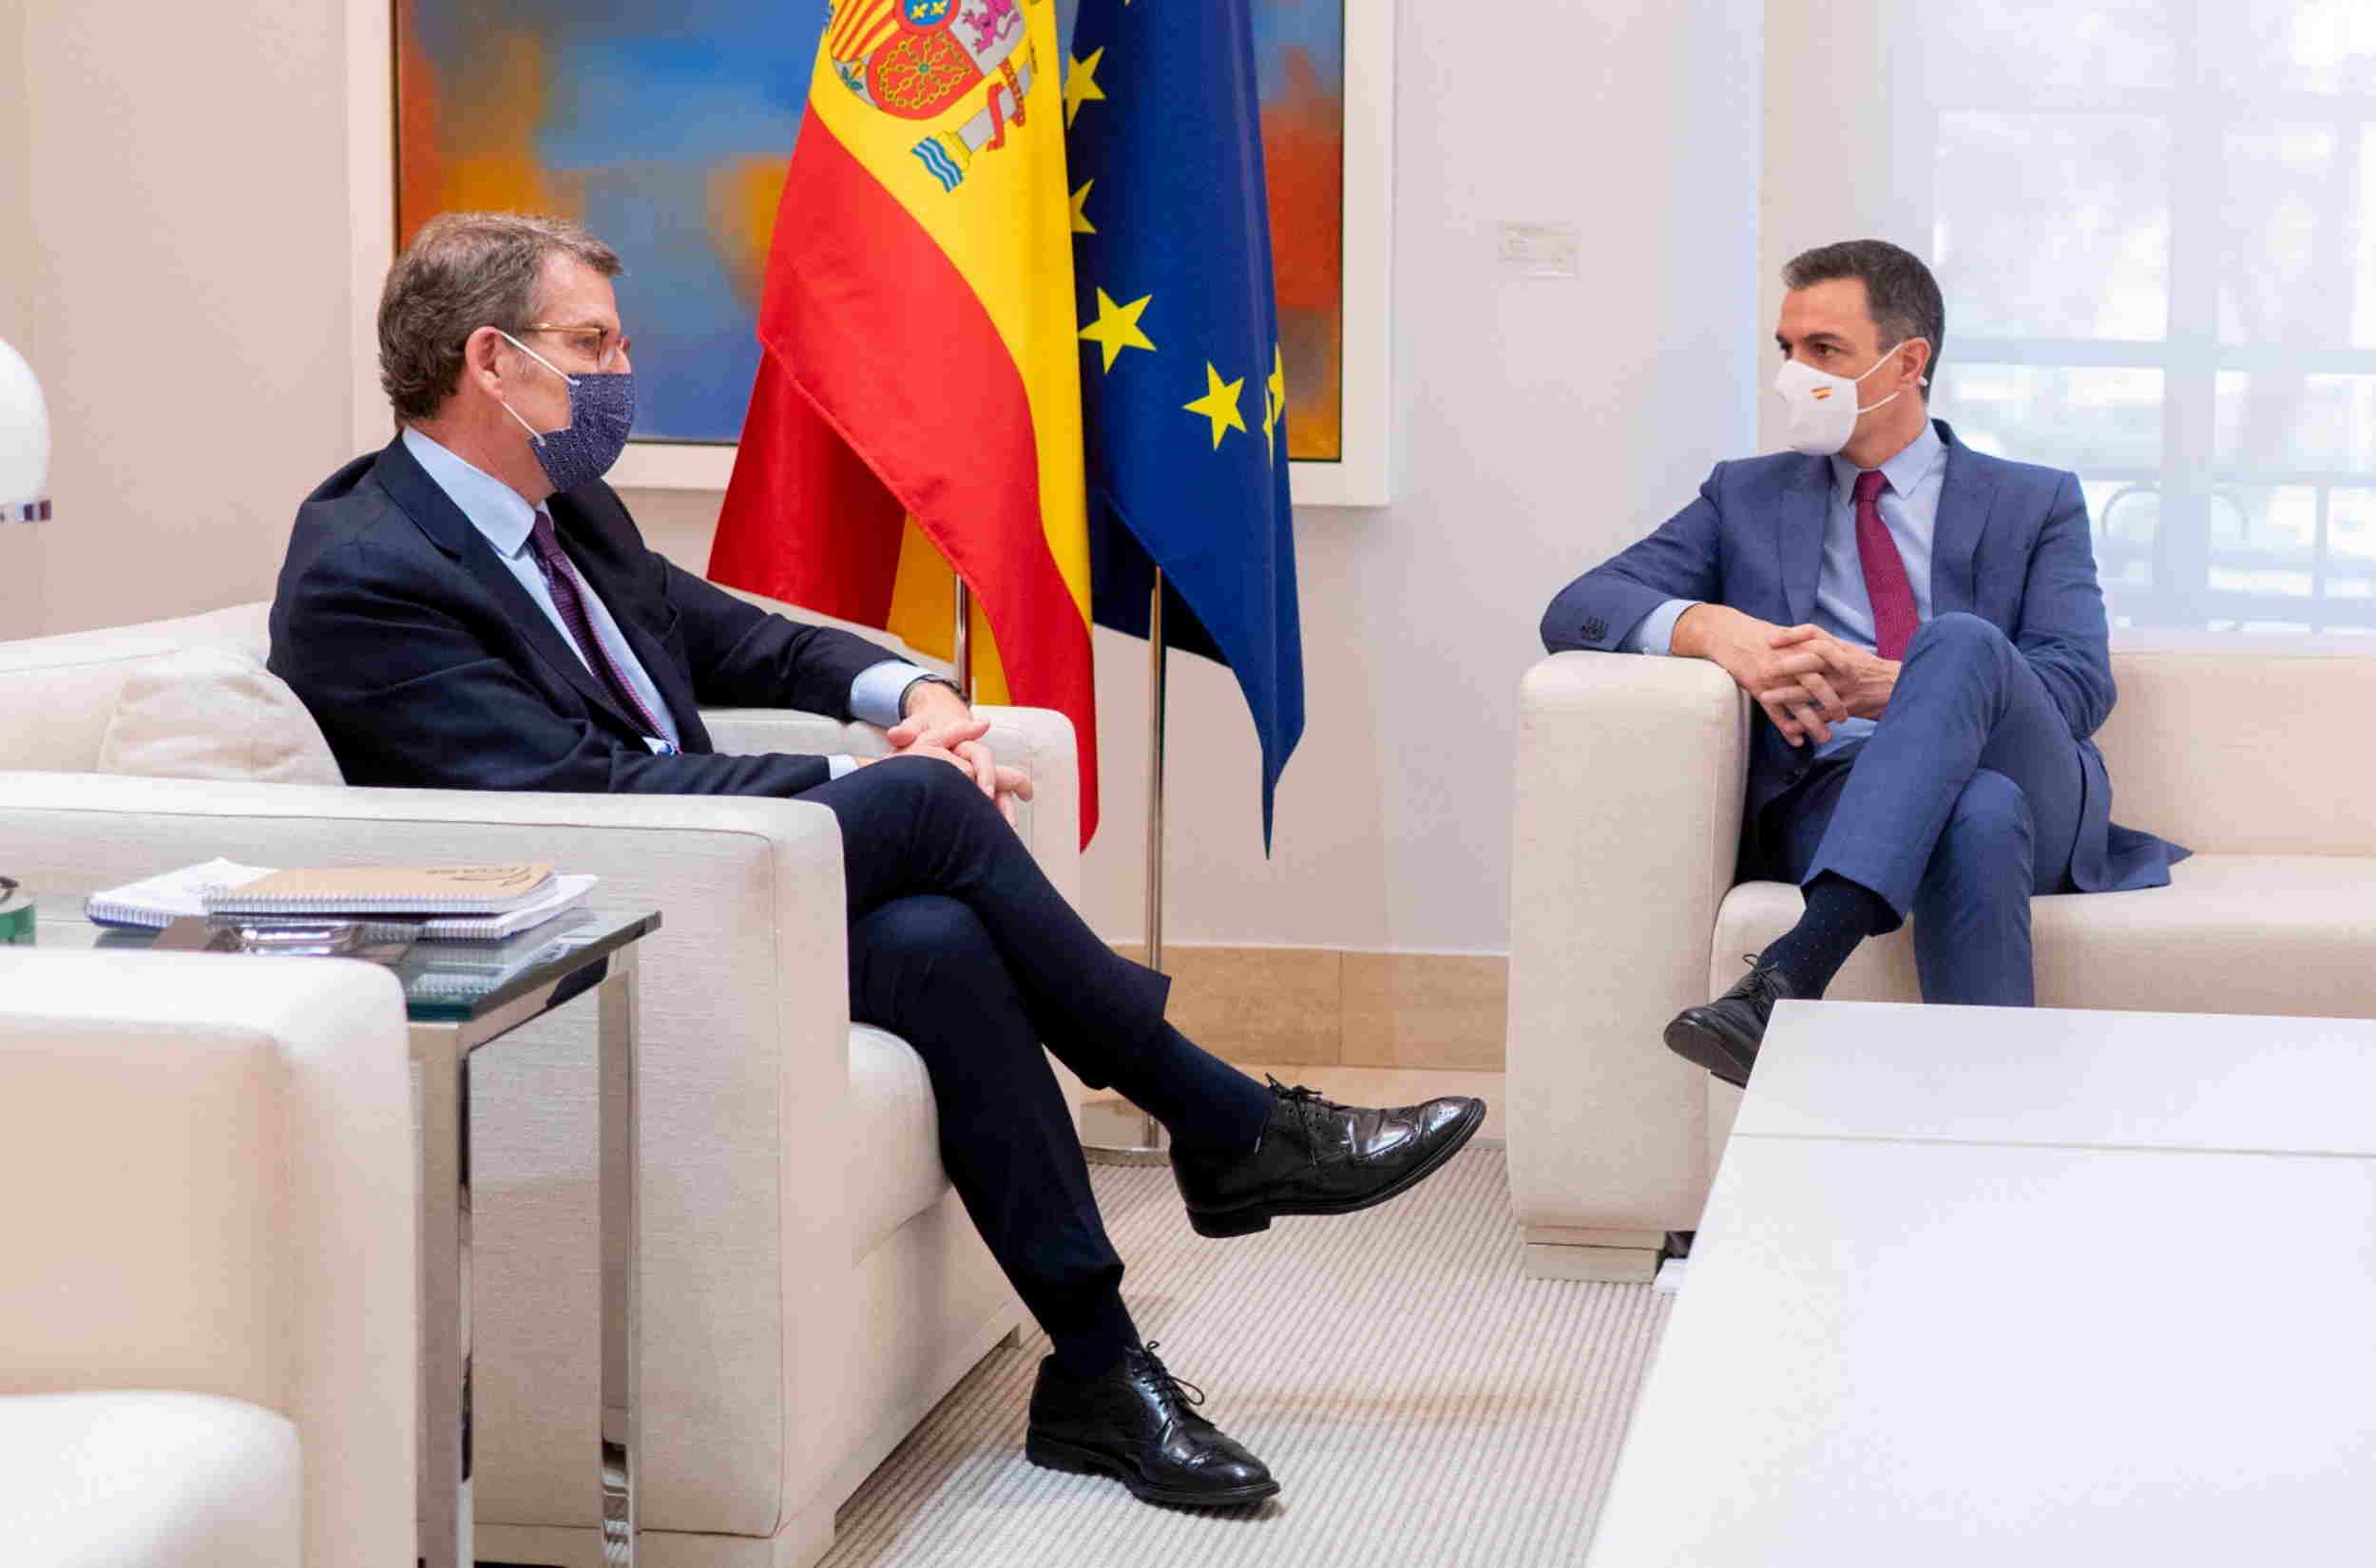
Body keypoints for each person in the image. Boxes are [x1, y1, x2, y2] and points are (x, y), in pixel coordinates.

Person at [270, 211, 1484, 1509]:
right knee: (922, 810)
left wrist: (907, 691)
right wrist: (873, 777)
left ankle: (1098, 1366)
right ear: (491, 362)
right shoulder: (367, 565)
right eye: (594, 343)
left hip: (715, 899)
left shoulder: (571, 515)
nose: (628, 369)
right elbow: (578, 793)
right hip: (580, 947)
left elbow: (756, 644)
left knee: (939, 942)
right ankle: (1228, 1121)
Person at [1541, 239, 2185, 1088]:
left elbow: (2076, 685)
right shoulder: (1746, 494)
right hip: (1832, 793)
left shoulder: (2036, 499)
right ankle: (1990, 1135)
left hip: (2035, 782)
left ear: (1908, 361)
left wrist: (1902, 690)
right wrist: (1714, 629)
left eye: (1824, 351)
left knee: (1957, 645)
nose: (1794, 374)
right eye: (1787, 350)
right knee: (1973, 814)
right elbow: (1578, 607)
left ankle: (1800, 964)